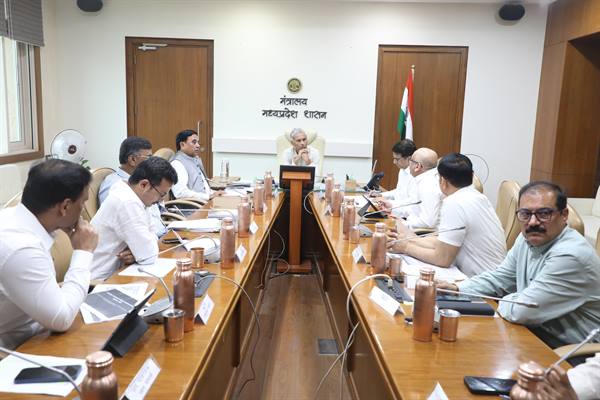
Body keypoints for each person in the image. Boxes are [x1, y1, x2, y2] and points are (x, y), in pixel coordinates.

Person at [439, 181, 600, 346]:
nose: (533, 222)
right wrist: (457, 289)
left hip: (574, 351)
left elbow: (524, 311)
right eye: (525, 214)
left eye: (544, 214)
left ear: (564, 215)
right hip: (534, 333)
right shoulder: (527, 238)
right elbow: (501, 278)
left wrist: (507, 299)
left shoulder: (571, 255)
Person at [0, 159, 98, 349]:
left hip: (38, 329)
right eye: (83, 202)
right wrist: (83, 251)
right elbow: (61, 319)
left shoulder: (15, 217)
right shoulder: (21, 247)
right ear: (65, 206)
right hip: (16, 350)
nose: (83, 211)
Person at [388, 153, 506, 277]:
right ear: (471, 176)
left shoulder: (454, 203)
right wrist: (408, 239)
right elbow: (443, 242)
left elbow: (442, 258)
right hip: (492, 276)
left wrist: (405, 247)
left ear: (443, 181)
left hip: (482, 282)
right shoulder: (478, 197)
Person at [90, 157, 177, 280]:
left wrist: (138, 251)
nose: (160, 200)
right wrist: (141, 251)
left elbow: (154, 233)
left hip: (120, 272)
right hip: (100, 282)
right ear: (144, 185)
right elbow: (148, 255)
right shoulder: (127, 202)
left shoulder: (135, 195)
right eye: (161, 194)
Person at [98, 137, 166, 237]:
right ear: (132, 159)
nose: (151, 162)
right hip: (143, 240)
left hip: (160, 234)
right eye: (149, 158)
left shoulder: (142, 180)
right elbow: (124, 225)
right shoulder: (113, 185)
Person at [389, 147, 443, 229]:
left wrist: (402, 224)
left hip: (421, 233)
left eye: (411, 160)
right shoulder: (423, 179)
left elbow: (427, 222)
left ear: (418, 166)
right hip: (412, 227)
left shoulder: (428, 185)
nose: (409, 164)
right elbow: (414, 209)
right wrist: (391, 207)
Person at [171, 129, 218, 202]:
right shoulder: (177, 163)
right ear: (182, 145)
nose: (198, 145)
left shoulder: (194, 159)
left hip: (205, 202)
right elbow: (180, 193)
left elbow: (202, 187)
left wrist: (214, 193)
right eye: (194, 142)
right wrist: (207, 196)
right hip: (194, 206)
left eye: (198, 142)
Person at [379, 139, 417, 208]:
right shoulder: (402, 170)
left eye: (397, 159)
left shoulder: (416, 175)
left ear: (409, 158)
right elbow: (399, 192)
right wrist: (381, 195)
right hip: (396, 209)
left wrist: (390, 203)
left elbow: (411, 202)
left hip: (403, 211)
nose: (394, 162)